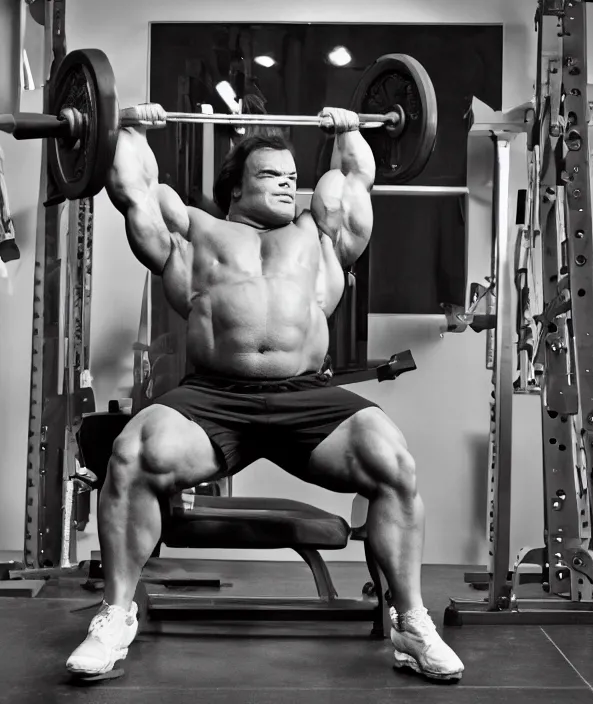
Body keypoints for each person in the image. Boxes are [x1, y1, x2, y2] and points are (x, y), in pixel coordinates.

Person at [65, 104, 464, 683]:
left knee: (392, 459)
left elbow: (355, 178)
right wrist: (127, 125)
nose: (287, 182)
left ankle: (411, 621)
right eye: (270, 174)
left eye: (290, 174)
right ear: (235, 186)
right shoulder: (195, 232)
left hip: (306, 396)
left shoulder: (317, 235)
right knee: (133, 454)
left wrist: (351, 129)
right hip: (212, 399)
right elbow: (133, 187)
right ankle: (116, 614)